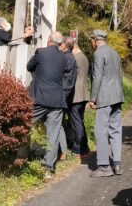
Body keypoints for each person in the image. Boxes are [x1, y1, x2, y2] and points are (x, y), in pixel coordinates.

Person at [27, 31, 77, 176]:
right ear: (60, 44)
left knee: (25, 124)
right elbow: (66, 80)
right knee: (53, 134)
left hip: (39, 99)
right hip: (57, 100)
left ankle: (18, 156)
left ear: (49, 39)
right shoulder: (65, 58)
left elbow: (29, 66)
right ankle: (48, 167)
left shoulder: (40, 53)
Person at [88, 28, 124, 178]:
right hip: (117, 95)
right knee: (115, 129)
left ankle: (104, 166)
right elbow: (119, 75)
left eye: (91, 39)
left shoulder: (98, 53)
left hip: (104, 96)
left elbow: (97, 77)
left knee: (100, 130)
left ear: (95, 39)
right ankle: (116, 164)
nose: (91, 42)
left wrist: (93, 98)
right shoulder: (114, 52)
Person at [69, 37, 90, 157]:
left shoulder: (75, 58)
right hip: (83, 93)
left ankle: (78, 149)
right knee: (80, 122)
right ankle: (85, 146)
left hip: (76, 95)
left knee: (76, 123)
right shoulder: (84, 57)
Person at [57, 36, 78, 159]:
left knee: (57, 123)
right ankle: (63, 150)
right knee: (60, 123)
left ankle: (62, 151)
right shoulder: (72, 58)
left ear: (65, 45)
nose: (59, 45)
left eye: (61, 44)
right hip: (66, 94)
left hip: (61, 94)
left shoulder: (65, 58)